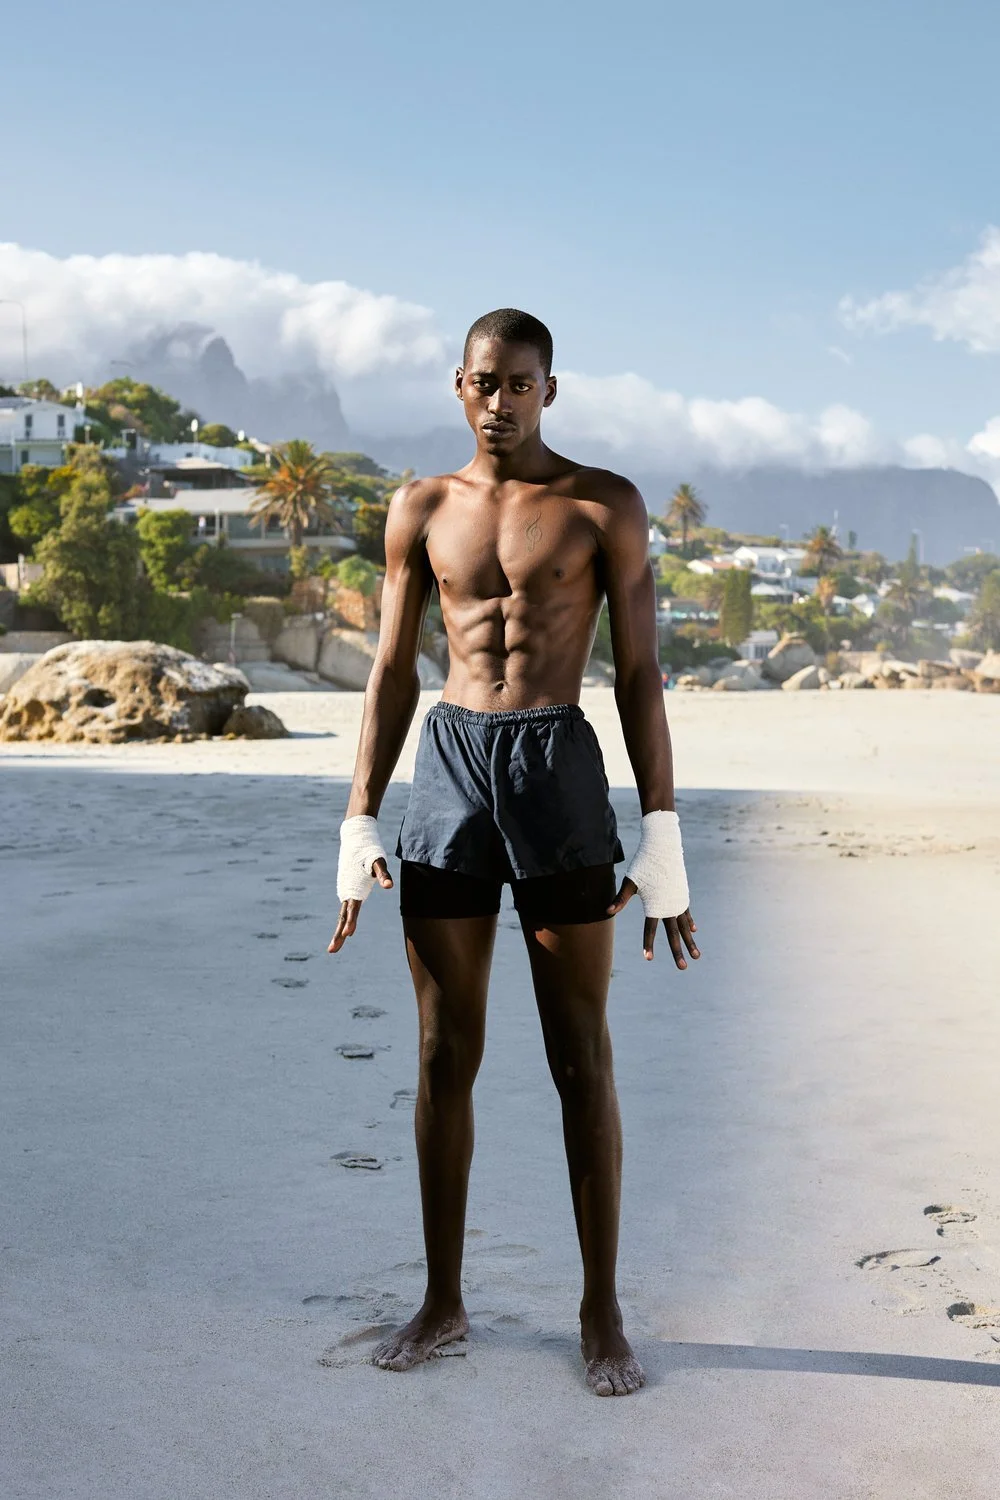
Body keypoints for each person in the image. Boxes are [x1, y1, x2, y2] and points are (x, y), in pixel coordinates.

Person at [328, 308, 699, 1397]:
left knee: (578, 1052)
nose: (501, 401)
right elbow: (392, 670)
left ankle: (599, 1312)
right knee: (445, 1050)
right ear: (458, 385)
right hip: (447, 767)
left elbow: (637, 674)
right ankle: (443, 1301)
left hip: (554, 768)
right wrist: (359, 818)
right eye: (484, 383)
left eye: (521, 384)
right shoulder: (421, 508)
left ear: (550, 389)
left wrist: (662, 829)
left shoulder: (601, 506)